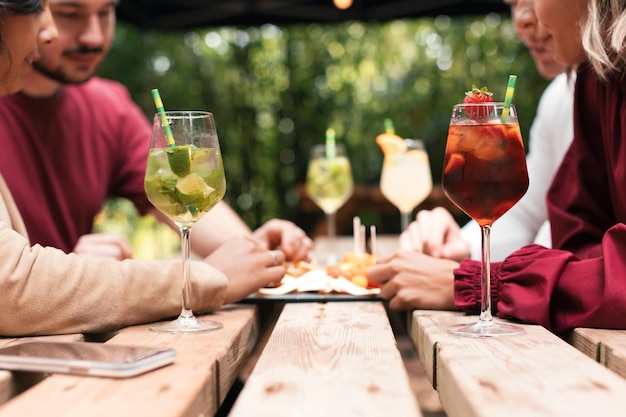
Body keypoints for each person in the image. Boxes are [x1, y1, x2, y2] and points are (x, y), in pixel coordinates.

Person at [0, 0, 289, 337]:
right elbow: (15, 285)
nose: (93, 36)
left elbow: (184, 194)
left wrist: (259, 251)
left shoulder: (107, 108)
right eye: (68, 13)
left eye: (106, 12)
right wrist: (199, 279)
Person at [369, 0, 626, 335]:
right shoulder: (590, 82)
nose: (525, 17)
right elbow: (558, 224)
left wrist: (483, 282)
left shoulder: (588, 79)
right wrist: (466, 249)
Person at [400, 0, 575, 262]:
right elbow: (526, 213)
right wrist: (464, 247)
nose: (522, 19)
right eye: (513, 3)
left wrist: (474, 282)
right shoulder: (557, 97)